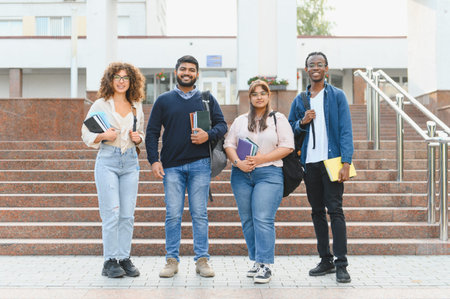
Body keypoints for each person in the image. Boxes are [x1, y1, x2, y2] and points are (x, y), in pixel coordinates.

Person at [145, 55, 227, 278]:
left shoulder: (207, 99)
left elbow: (222, 125)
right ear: (176, 72)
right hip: (171, 167)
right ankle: (171, 260)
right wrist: (154, 160)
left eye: (192, 69)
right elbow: (151, 133)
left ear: (197, 74)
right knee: (173, 215)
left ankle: (202, 260)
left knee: (199, 214)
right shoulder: (164, 100)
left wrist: (207, 135)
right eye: (183, 69)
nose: (187, 72)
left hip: (200, 164)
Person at [288, 52, 353, 283]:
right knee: (317, 212)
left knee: (335, 211)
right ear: (306, 69)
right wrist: (301, 122)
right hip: (310, 163)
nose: (315, 67)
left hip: (332, 162)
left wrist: (346, 162)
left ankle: (341, 263)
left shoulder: (337, 96)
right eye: (311, 65)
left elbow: (345, 129)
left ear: (326, 68)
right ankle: (325, 260)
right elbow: (289, 130)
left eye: (319, 64)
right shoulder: (300, 100)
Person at [224, 80, 294, 284]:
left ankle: (265, 265)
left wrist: (261, 159)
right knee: (247, 220)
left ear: (269, 96)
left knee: (262, 218)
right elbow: (229, 144)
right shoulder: (240, 120)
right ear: (250, 97)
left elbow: (288, 146)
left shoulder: (278, 119)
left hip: (269, 174)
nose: (259, 96)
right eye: (255, 93)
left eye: (263, 93)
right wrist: (238, 163)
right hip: (241, 175)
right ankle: (256, 260)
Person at [81, 62, 145, 278]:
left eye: (125, 78)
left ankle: (124, 257)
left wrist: (139, 138)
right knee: (111, 213)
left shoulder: (136, 105)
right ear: (110, 80)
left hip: (129, 163)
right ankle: (110, 261)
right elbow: (85, 133)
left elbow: (141, 132)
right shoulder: (100, 104)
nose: (121, 81)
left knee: (127, 215)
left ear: (131, 81)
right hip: (107, 160)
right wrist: (102, 137)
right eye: (117, 77)